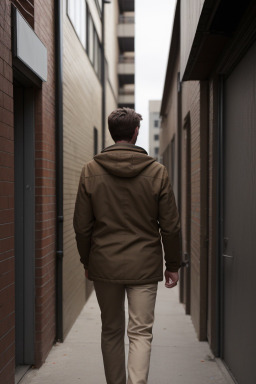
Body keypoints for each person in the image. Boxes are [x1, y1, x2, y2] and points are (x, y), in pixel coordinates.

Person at [73, 107, 181, 384]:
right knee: (141, 332)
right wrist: (173, 265)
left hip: (104, 263)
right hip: (144, 266)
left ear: (112, 133)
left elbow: (82, 226)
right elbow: (170, 225)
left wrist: (87, 262)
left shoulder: (90, 171)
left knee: (110, 330)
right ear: (136, 132)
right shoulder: (157, 172)